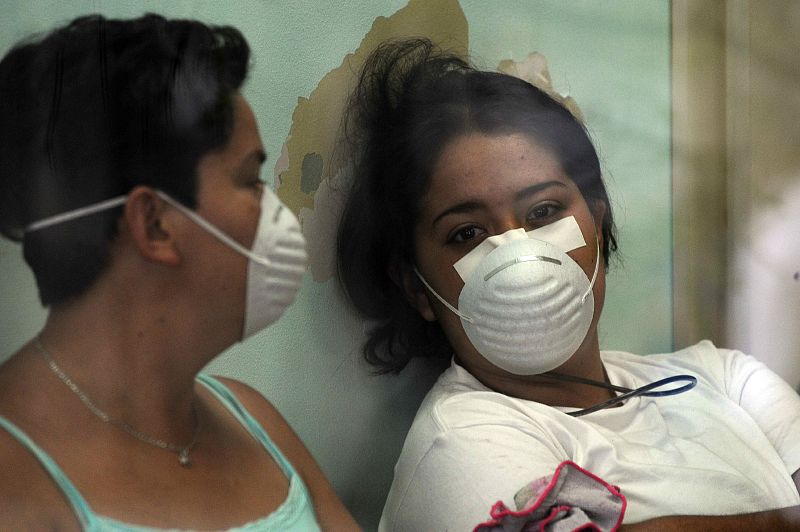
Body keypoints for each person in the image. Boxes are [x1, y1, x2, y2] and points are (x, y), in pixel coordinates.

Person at [335, 38, 800, 530]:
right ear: (416, 288)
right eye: (467, 233)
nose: (520, 257)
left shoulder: (725, 379)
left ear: (597, 222)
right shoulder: (460, 444)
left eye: (543, 211)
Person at [0, 14, 358, 530]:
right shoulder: (12, 478)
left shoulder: (252, 419)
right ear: (155, 223)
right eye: (249, 179)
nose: (274, 209)